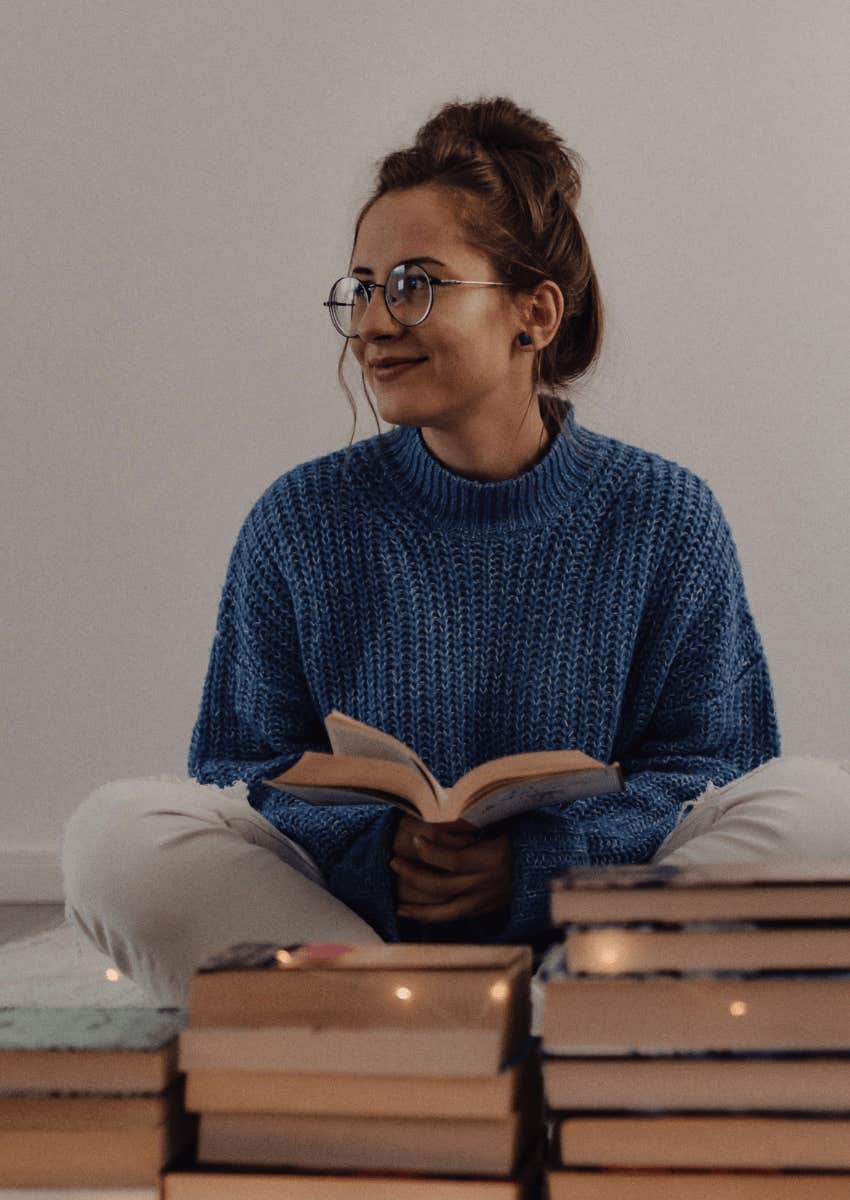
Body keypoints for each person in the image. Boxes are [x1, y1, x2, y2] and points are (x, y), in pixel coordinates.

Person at [62, 96, 850, 1009]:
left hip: (584, 923)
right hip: (359, 928)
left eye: (415, 283)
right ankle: (412, 1013)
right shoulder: (300, 519)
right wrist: (380, 852)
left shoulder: (662, 514)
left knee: (821, 808)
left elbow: (718, 764)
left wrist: (536, 860)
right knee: (112, 834)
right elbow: (240, 771)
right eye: (362, 288)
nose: (373, 323)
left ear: (536, 314)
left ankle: (560, 1007)